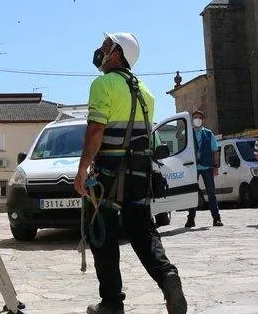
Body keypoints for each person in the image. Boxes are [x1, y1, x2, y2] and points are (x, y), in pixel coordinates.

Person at [74, 33, 187, 314]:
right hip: (139, 174)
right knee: (142, 230)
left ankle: (112, 303)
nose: (100, 50)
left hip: (109, 176)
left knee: (102, 234)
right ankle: (167, 276)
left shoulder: (103, 84)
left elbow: (96, 130)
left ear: (117, 53)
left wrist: (81, 169)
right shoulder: (145, 91)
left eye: (105, 46)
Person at [185, 110, 223, 228]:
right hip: (193, 167)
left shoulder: (208, 133)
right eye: (195, 117)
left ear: (202, 120)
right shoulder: (188, 133)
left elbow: (215, 151)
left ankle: (216, 218)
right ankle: (190, 219)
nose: (197, 119)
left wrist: (216, 166)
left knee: (211, 193)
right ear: (192, 119)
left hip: (207, 166)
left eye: (199, 117)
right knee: (192, 193)